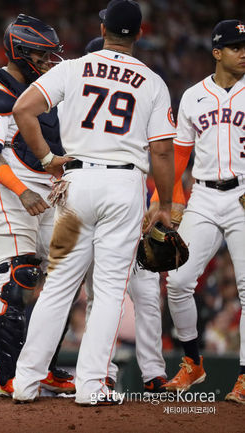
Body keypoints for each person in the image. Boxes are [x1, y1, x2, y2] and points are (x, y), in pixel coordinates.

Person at [11, 0, 175, 405]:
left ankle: (26, 382)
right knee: (107, 292)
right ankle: (91, 386)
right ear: (138, 33)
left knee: (58, 288)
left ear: (103, 29)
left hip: (76, 181)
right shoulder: (152, 81)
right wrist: (166, 203)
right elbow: (163, 153)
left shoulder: (73, 67)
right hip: (124, 184)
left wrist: (49, 160)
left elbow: (22, 109)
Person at [0, 15, 75, 397]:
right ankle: (9, 374)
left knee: (66, 277)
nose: (50, 59)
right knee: (19, 277)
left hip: (51, 191)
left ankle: (42, 366)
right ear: (20, 51)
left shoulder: (53, 85)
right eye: (42, 53)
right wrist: (22, 191)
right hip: (8, 190)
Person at [162, 20, 245, 404]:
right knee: (177, 282)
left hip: (243, 193)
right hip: (205, 196)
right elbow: (180, 153)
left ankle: (244, 378)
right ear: (217, 52)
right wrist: (171, 198)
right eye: (235, 47)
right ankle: (193, 361)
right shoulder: (193, 96)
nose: (243, 52)